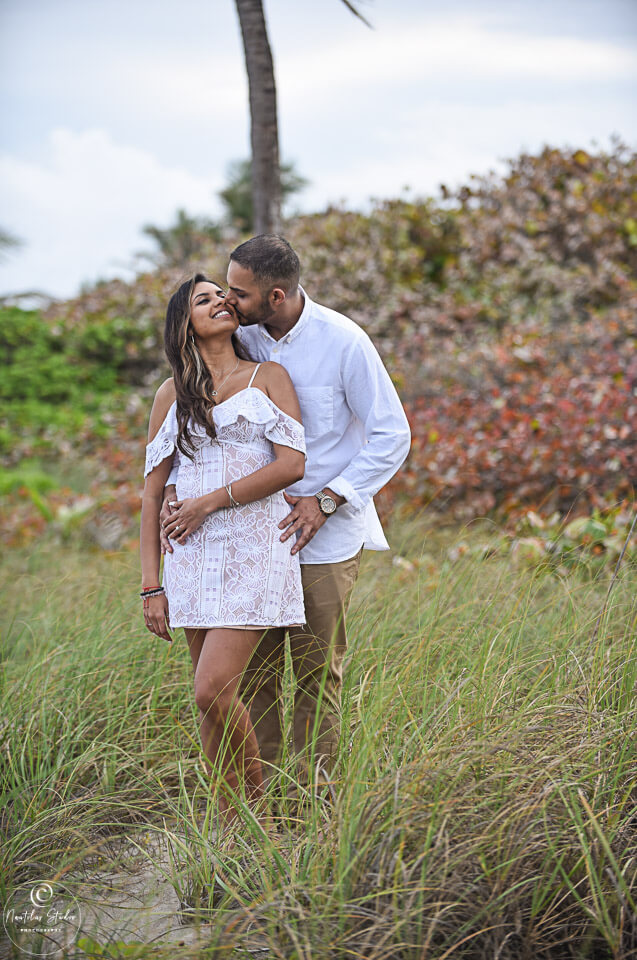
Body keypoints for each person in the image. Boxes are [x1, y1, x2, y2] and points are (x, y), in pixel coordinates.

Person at [162, 236, 411, 788]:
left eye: (238, 293)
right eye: (224, 290)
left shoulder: (343, 342)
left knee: (318, 676)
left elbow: (392, 435)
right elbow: (206, 422)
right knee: (255, 682)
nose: (228, 300)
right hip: (250, 541)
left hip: (324, 537)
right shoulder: (239, 335)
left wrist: (328, 500)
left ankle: (314, 810)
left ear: (275, 296)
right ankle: (265, 809)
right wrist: (178, 490)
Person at [140, 273, 306, 823]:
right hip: (191, 559)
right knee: (208, 708)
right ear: (184, 324)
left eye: (222, 296)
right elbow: (151, 493)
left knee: (212, 690)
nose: (219, 303)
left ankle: (258, 815)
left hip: (255, 549)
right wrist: (151, 584)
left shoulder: (268, 376)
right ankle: (226, 826)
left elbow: (291, 465)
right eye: (203, 300)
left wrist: (208, 501)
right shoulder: (171, 394)